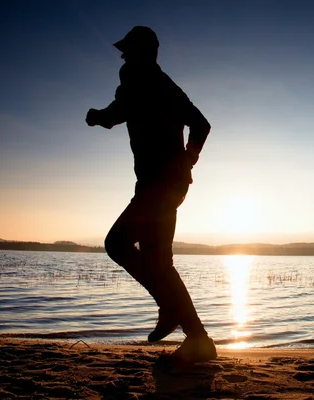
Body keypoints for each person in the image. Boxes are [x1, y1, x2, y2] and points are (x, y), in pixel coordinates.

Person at [85, 26, 216, 362]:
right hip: (167, 183)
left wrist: (96, 117)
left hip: (160, 185)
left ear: (143, 51)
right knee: (160, 263)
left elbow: (115, 115)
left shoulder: (138, 79)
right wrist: (188, 161)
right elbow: (200, 124)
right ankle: (197, 337)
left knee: (116, 243)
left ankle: (173, 311)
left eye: (128, 49)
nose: (123, 55)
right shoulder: (161, 84)